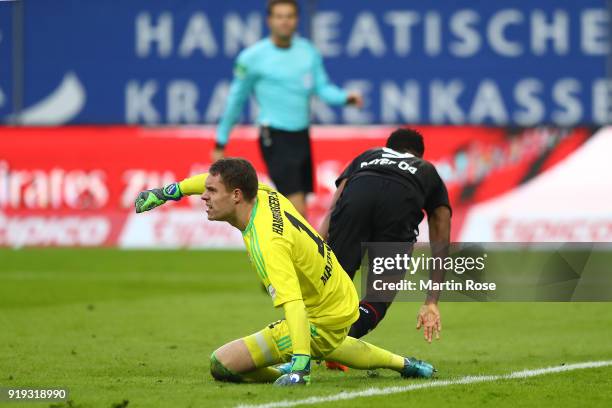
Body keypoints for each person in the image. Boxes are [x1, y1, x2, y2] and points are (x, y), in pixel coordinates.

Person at [134, 158, 434, 385]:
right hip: (340, 292)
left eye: (212, 192)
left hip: (321, 313)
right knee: (330, 342)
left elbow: (294, 304)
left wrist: (300, 365)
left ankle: (293, 364)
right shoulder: (264, 195)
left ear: (237, 195)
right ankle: (405, 364)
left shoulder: (268, 243)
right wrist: (168, 192)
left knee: (221, 364)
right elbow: (210, 179)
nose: (204, 196)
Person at [213, 0, 363, 217]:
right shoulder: (253, 57)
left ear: (297, 20)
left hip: (301, 135)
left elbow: (321, 87)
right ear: (269, 20)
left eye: (289, 16)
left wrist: (344, 98)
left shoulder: (308, 52)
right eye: (279, 16)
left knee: (298, 204)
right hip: (274, 134)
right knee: (296, 205)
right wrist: (221, 140)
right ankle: (302, 250)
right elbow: (236, 99)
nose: (285, 21)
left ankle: (284, 247)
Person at [319, 128, 452, 352]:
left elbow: (335, 206)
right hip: (399, 205)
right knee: (378, 297)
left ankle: (317, 339)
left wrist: (318, 249)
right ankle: (339, 341)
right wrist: (432, 300)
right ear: (418, 155)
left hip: (358, 198)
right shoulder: (426, 169)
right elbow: (441, 227)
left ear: (388, 148)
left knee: (330, 286)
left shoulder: (368, 155)